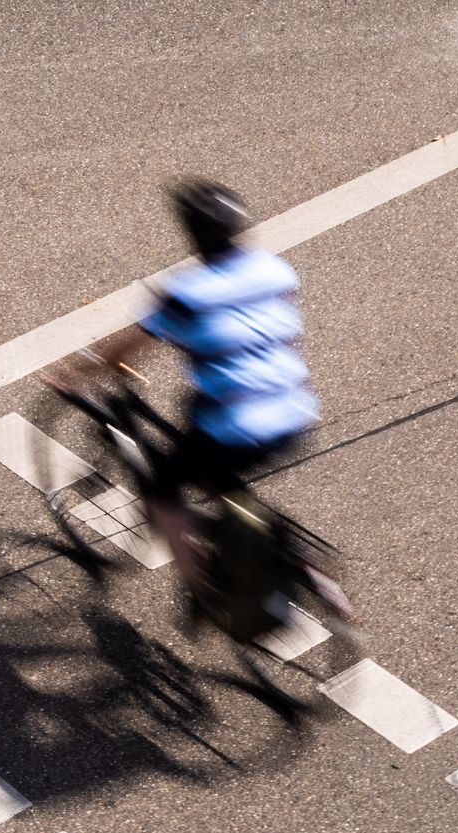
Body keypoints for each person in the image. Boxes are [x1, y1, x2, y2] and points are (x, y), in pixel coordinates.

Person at [47, 181, 318, 595]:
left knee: (162, 496)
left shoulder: (188, 294)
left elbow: (127, 349)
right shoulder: (274, 269)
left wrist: (78, 373)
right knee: (195, 424)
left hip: (236, 425)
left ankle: (199, 592)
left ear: (192, 235)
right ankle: (268, 540)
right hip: (295, 410)